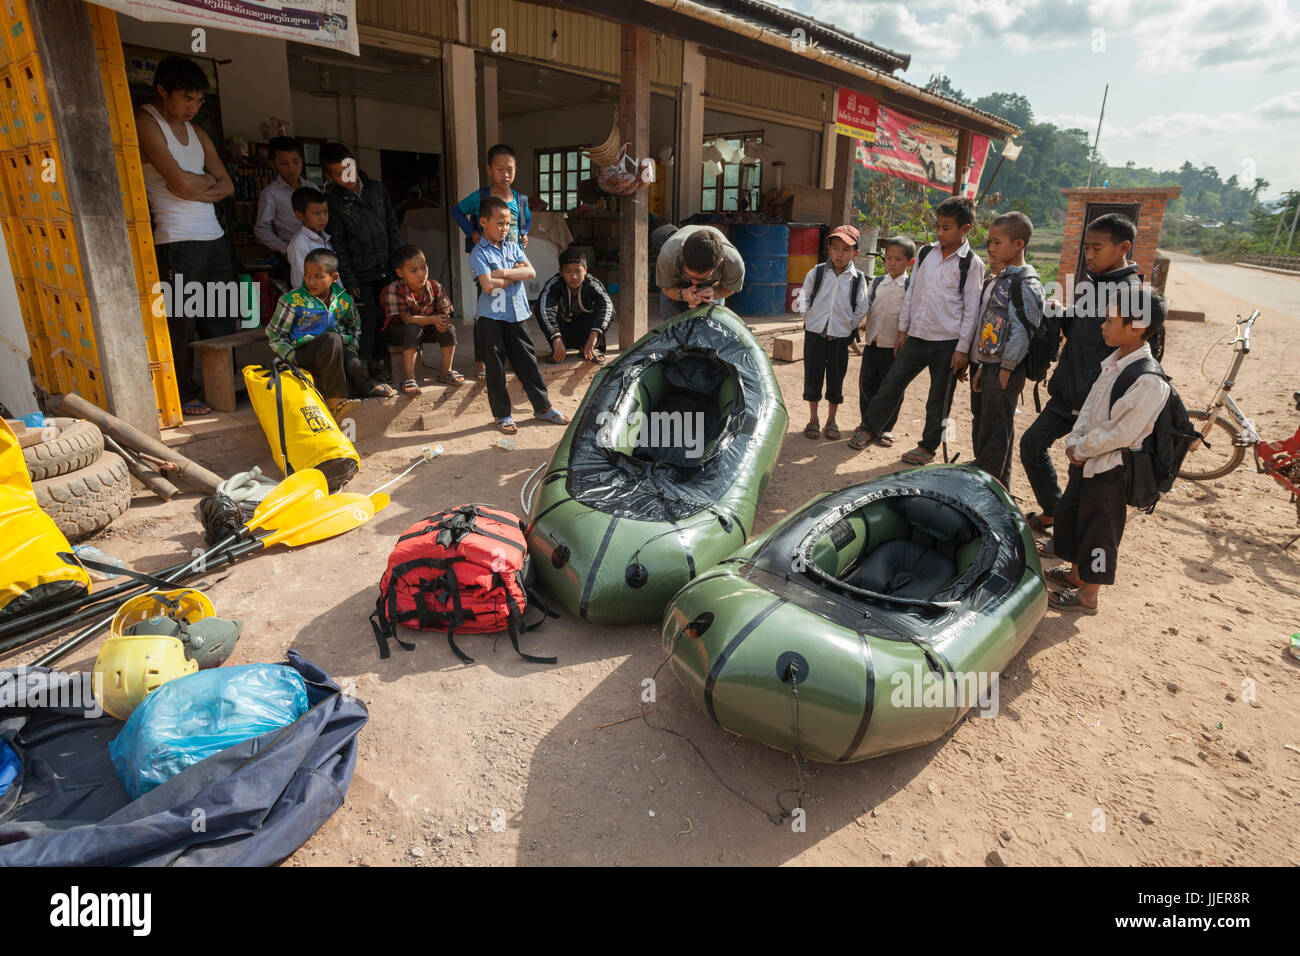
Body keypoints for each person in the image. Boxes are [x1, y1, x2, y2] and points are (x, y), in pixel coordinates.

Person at [1019, 213, 1144, 535]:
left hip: (1097, 402)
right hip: (1068, 392)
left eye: (1096, 248)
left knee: (1083, 470)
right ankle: (1054, 511)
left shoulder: (1133, 295)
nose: (1088, 255)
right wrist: (1060, 314)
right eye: (1086, 247)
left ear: (1123, 248)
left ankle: (1071, 542)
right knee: (1032, 445)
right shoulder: (1095, 284)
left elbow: (1139, 354)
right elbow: (1082, 332)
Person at [1045, 289, 1169, 614]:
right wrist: (1076, 440)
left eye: (1111, 319)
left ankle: (1089, 594)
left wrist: (1084, 447)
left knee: (1101, 528)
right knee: (1073, 516)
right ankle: (1075, 573)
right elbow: (1090, 407)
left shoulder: (1149, 381)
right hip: (1085, 460)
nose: (1103, 324)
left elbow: (1122, 433)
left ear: (1137, 325)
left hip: (1111, 469)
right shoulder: (1113, 362)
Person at [135, 54, 235, 417]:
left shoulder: (199, 132)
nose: (193, 107)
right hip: (176, 240)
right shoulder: (147, 122)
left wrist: (197, 186)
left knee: (222, 317)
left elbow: (227, 185)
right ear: (162, 90)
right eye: (185, 98)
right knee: (180, 322)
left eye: (198, 100)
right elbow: (178, 181)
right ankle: (182, 391)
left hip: (214, 237)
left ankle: (222, 388)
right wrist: (200, 183)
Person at [852, 196, 986, 465]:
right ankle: (869, 429)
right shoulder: (926, 254)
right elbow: (912, 292)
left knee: (938, 400)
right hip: (916, 337)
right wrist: (903, 330)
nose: (939, 232)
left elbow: (972, 311)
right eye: (938, 226)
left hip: (948, 344)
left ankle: (927, 446)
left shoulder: (972, 265)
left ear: (965, 230)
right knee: (891, 385)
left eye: (946, 228)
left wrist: (962, 350)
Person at [470, 197, 568, 435]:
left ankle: (543, 408)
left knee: (528, 363)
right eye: (499, 222)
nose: (504, 228)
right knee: (495, 368)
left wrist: (502, 272)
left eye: (507, 223)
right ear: (483, 222)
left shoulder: (514, 247)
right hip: (491, 319)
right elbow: (488, 286)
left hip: (517, 315)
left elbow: (531, 272)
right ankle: (503, 415)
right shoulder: (478, 252)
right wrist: (515, 273)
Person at [968, 212, 1045, 490]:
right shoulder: (1002, 278)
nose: (991, 247)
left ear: (1018, 244)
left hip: (1005, 369)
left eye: (997, 242)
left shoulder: (1025, 282)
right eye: (990, 242)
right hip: (991, 365)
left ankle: (989, 488)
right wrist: (982, 367)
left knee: (997, 430)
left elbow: (1023, 331)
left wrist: (1005, 368)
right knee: (990, 426)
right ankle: (997, 484)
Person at [320, 141, 400, 392]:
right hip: (359, 273)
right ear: (329, 176)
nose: (345, 175)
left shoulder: (377, 190)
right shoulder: (333, 202)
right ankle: (365, 370)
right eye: (337, 173)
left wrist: (398, 265)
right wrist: (350, 280)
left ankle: (382, 365)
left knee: (386, 317)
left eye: (347, 168)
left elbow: (392, 228)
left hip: (386, 268)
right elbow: (339, 245)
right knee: (366, 319)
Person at [453, 144, 531, 384]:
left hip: (512, 261)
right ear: (489, 169)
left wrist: (524, 234)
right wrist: (472, 232)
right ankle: (481, 361)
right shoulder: (480, 197)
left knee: (512, 312)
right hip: (488, 264)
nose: (505, 175)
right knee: (488, 316)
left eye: (510, 169)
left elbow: (526, 221)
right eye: (500, 169)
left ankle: (506, 356)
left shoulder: (520, 198)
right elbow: (457, 211)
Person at [265, 248, 371, 420]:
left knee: (355, 365)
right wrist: (293, 356)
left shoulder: (344, 300)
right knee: (331, 338)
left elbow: (354, 327)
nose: (311, 281)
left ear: (334, 278)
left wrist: (350, 349)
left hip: (334, 352)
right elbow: (274, 335)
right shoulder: (292, 300)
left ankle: (368, 388)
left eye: (318, 276)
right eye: (307, 275)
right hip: (304, 354)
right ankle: (335, 399)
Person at [796, 225, 870, 441]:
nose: (840, 254)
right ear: (828, 249)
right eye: (836, 248)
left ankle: (831, 420)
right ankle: (813, 419)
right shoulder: (817, 272)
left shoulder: (857, 279)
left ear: (855, 253)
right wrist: (808, 318)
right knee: (813, 377)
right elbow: (804, 298)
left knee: (836, 379)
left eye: (846, 250)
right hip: (814, 335)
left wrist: (849, 327)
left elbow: (862, 306)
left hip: (840, 338)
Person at [851, 236, 914, 450]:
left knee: (892, 388)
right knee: (867, 382)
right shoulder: (877, 282)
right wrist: (855, 325)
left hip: (894, 348)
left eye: (898, 259)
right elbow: (865, 307)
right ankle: (866, 422)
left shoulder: (910, 286)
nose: (892, 263)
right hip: (873, 343)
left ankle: (887, 427)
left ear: (910, 262)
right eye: (888, 258)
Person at [381, 245, 462, 396]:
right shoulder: (395, 288)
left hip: (425, 328)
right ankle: (409, 379)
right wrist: (432, 319)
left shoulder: (434, 286)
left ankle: (446, 371)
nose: (421, 274)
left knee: (449, 329)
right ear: (400, 273)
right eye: (414, 271)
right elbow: (407, 319)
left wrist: (444, 321)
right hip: (400, 331)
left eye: (424, 268)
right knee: (413, 328)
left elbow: (446, 312)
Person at [536, 248, 615, 365]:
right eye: (568, 272)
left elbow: (607, 307)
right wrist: (555, 338)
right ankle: (557, 350)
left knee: (603, 309)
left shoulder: (592, 284)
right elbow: (543, 309)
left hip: (586, 333)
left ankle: (590, 349)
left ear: (586, 270)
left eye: (578, 271)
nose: (573, 277)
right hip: (563, 333)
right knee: (543, 310)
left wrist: (594, 336)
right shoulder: (554, 285)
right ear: (561, 272)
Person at [655, 224, 745, 320]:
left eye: (702, 278)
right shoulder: (669, 256)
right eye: (691, 276)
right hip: (676, 282)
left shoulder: (733, 262)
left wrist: (715, 292)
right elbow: (667, 288)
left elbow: (730, 288)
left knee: (712, 322)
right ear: (683, 260)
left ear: (719, 263)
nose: (694, 283)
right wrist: (682, 294)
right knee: (672, 325)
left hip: (712, 285)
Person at [254, 136, 320, 263]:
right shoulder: (270, 193)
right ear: (273, 164)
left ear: (302, 161)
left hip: (318, 252)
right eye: (284, 163)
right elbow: (261, 229)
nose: (291, 168)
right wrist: (286, 249)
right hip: (293, 255)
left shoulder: (313, 188)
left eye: (295, 162)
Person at [286, 187, 331, 291]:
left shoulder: (325, 239)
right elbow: (302, 282)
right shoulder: (300, 244)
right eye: (316, 214)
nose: (323, 218)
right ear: (300, 215)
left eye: (325, 212)